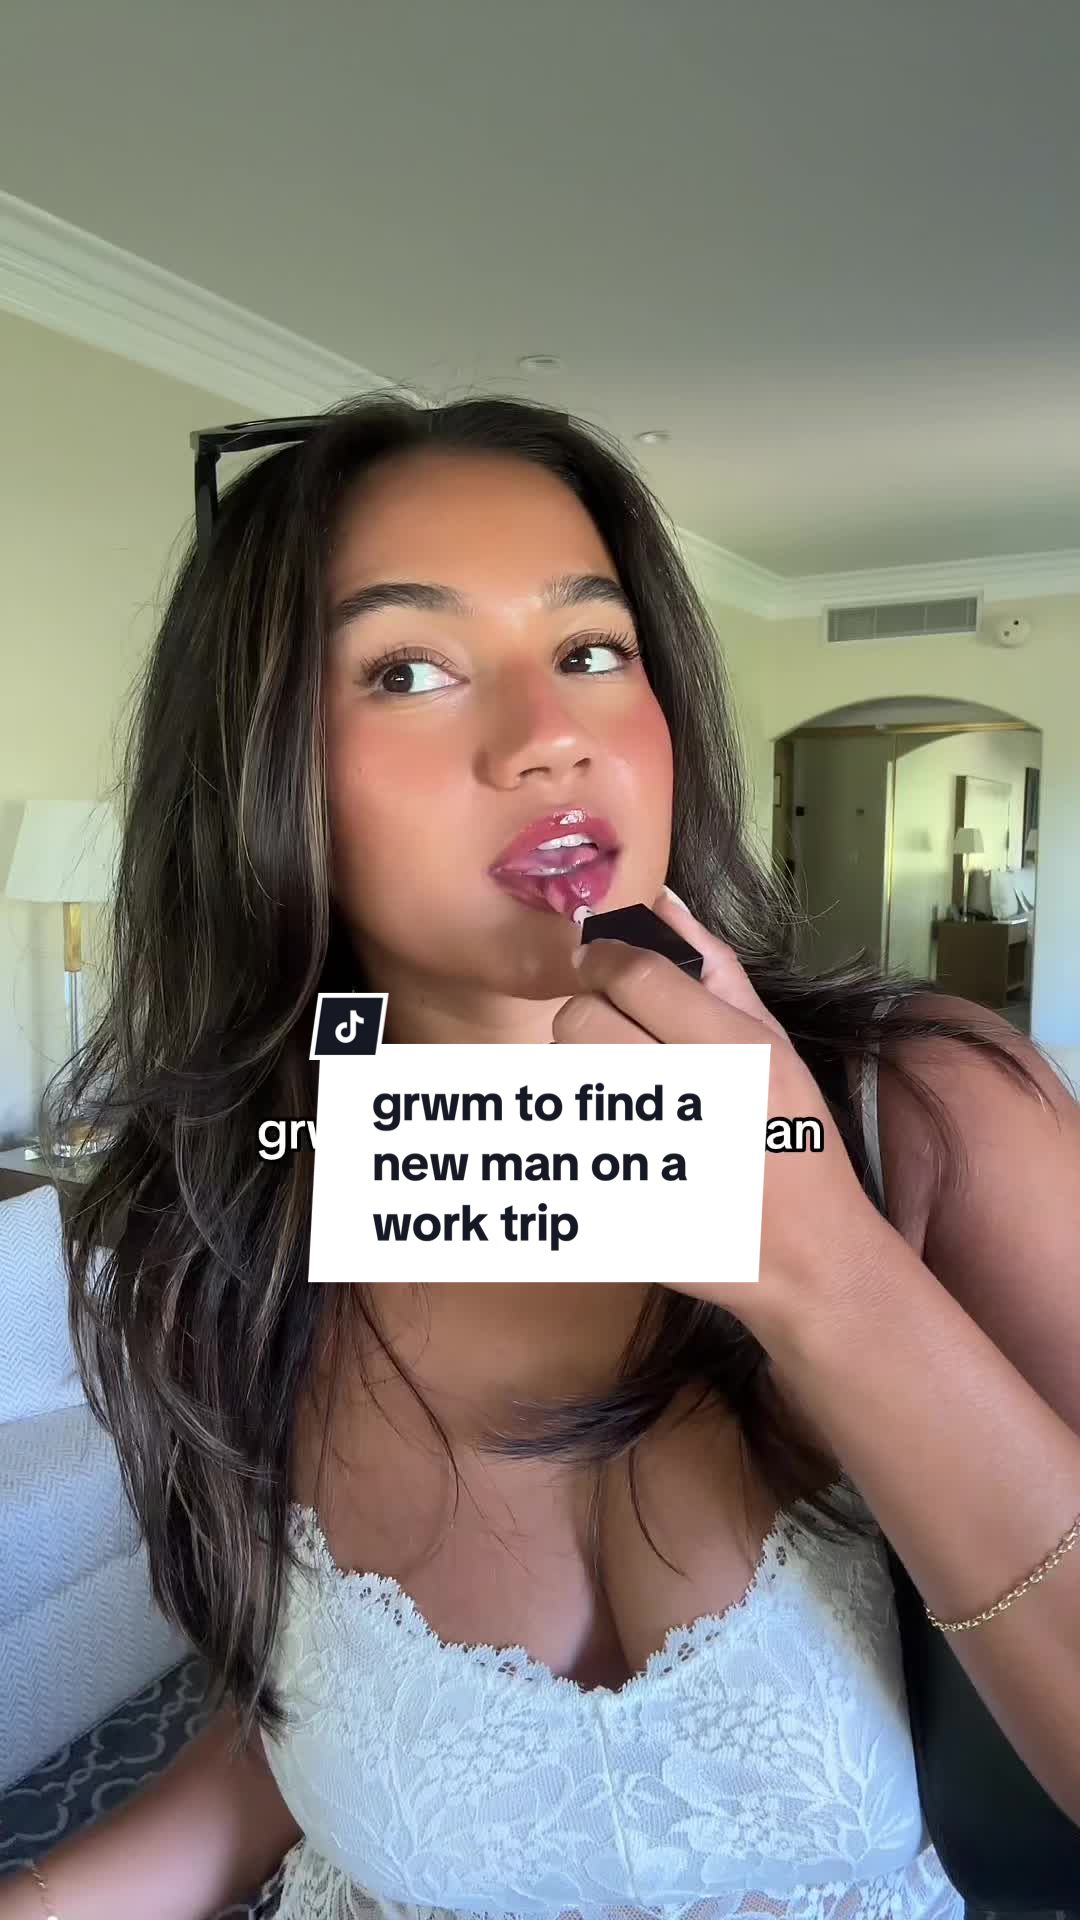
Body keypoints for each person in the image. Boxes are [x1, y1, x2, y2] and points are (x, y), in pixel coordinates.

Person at [7, 396, 1080, 1920]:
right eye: (407, 669)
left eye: (591, 649)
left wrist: (828, 1273)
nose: (547, 735)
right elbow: (310, 1734)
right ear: (262, 772)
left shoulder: (937, 1121)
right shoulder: (247, 1224)